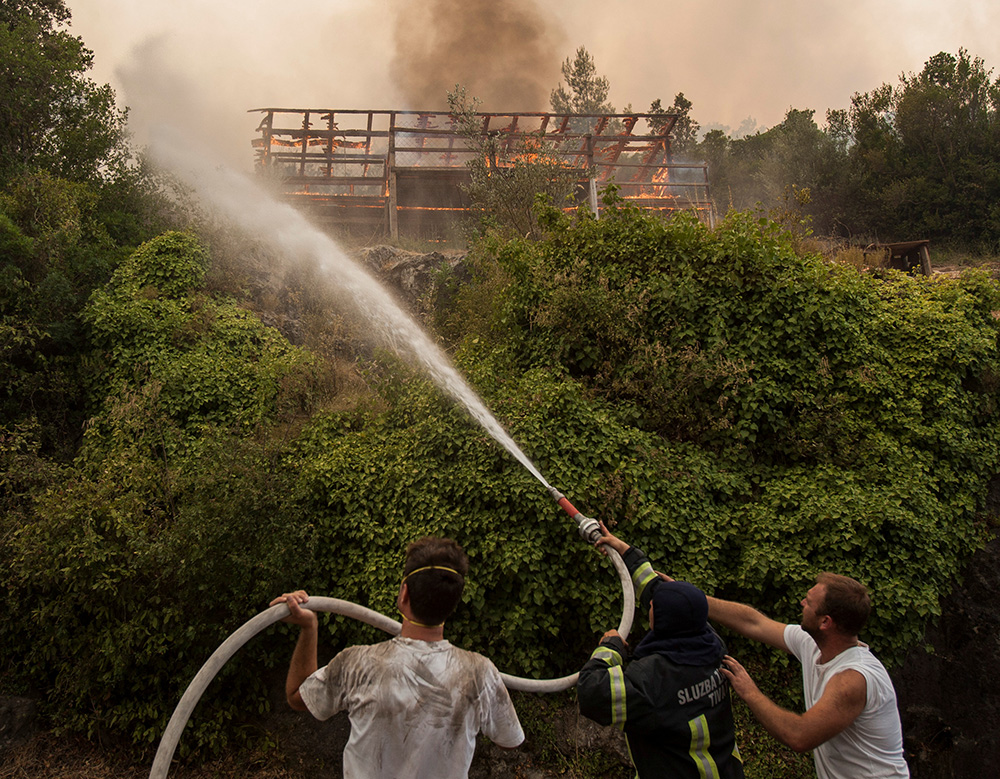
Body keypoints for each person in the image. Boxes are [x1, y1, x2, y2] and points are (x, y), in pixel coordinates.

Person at [272, 536, 524, 778]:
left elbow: (297, 697)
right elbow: (509, 741)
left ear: (404, 594)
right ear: (453, 603)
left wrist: (309, 627)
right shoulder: (480, 672)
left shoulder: (357, 663)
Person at [577, 523, 745, 778]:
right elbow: (662, 594)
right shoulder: (711, 644)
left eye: (653, 606)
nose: (650, 604)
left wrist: (609, 648)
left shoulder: (652, 682)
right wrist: (623, 550)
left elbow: (591, 692)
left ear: (664, 620)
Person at [710, 573, 910, 778]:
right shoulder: (813, 644)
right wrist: (693, 598)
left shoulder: (852, 679)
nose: (802, 602)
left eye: (809, 602)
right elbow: (754, 623)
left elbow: (799, 736)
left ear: (825, 622)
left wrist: (750, 692)